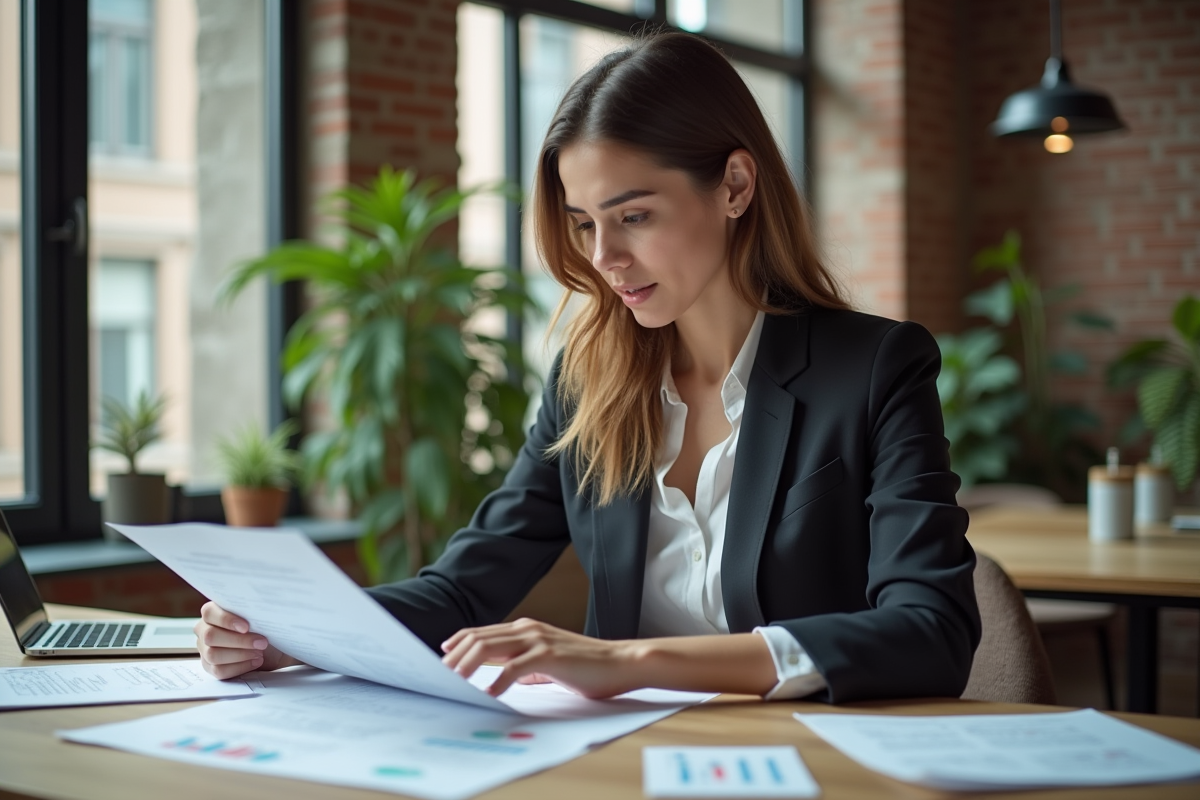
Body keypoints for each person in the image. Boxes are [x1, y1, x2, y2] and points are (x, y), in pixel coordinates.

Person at [196, 31, 981, 704]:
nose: (604, 258)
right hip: (616, 764)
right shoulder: (589, 381)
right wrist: (291, 635)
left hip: (807, 762)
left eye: (634, 216)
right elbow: (464, 587)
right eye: (583, 224)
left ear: (735, 186)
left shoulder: (875, 368)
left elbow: (930, 631)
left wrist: (630, 660)